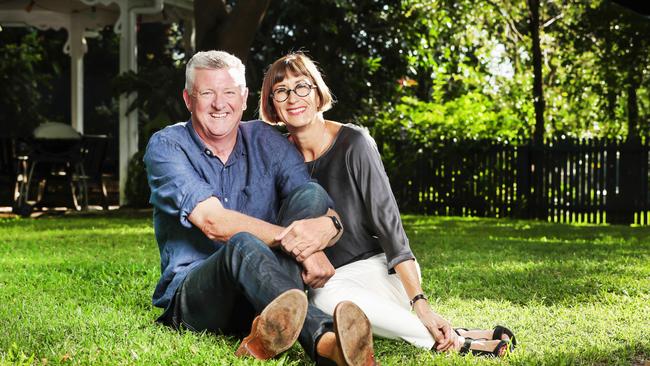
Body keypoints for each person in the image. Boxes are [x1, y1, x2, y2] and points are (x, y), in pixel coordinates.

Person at [259, 52, 517, 357]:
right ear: (272, 104)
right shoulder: (277, 157)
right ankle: (459, 334)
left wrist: (420, 302)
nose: (293, 98)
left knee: (324, 302)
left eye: (301, 86)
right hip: (333, 279)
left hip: (380, 271)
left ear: (317, 93)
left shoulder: (353, 143)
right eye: (281, 91)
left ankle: (454, 343)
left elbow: (389, 225)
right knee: (321, 296)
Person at [144, 50, 377, 366]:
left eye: (228, 92)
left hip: (263, 293)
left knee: (310, 194)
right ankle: (327, 343)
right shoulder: (167, 145)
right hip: (200, 297)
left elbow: (319, 206)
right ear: (188, 99)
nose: (219, 103)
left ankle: (265, 332)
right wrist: (301, 245)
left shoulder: (264, 138)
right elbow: (214, 222)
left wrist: (329, 227)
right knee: (242, 242)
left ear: (243, 98)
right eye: (207, 93)